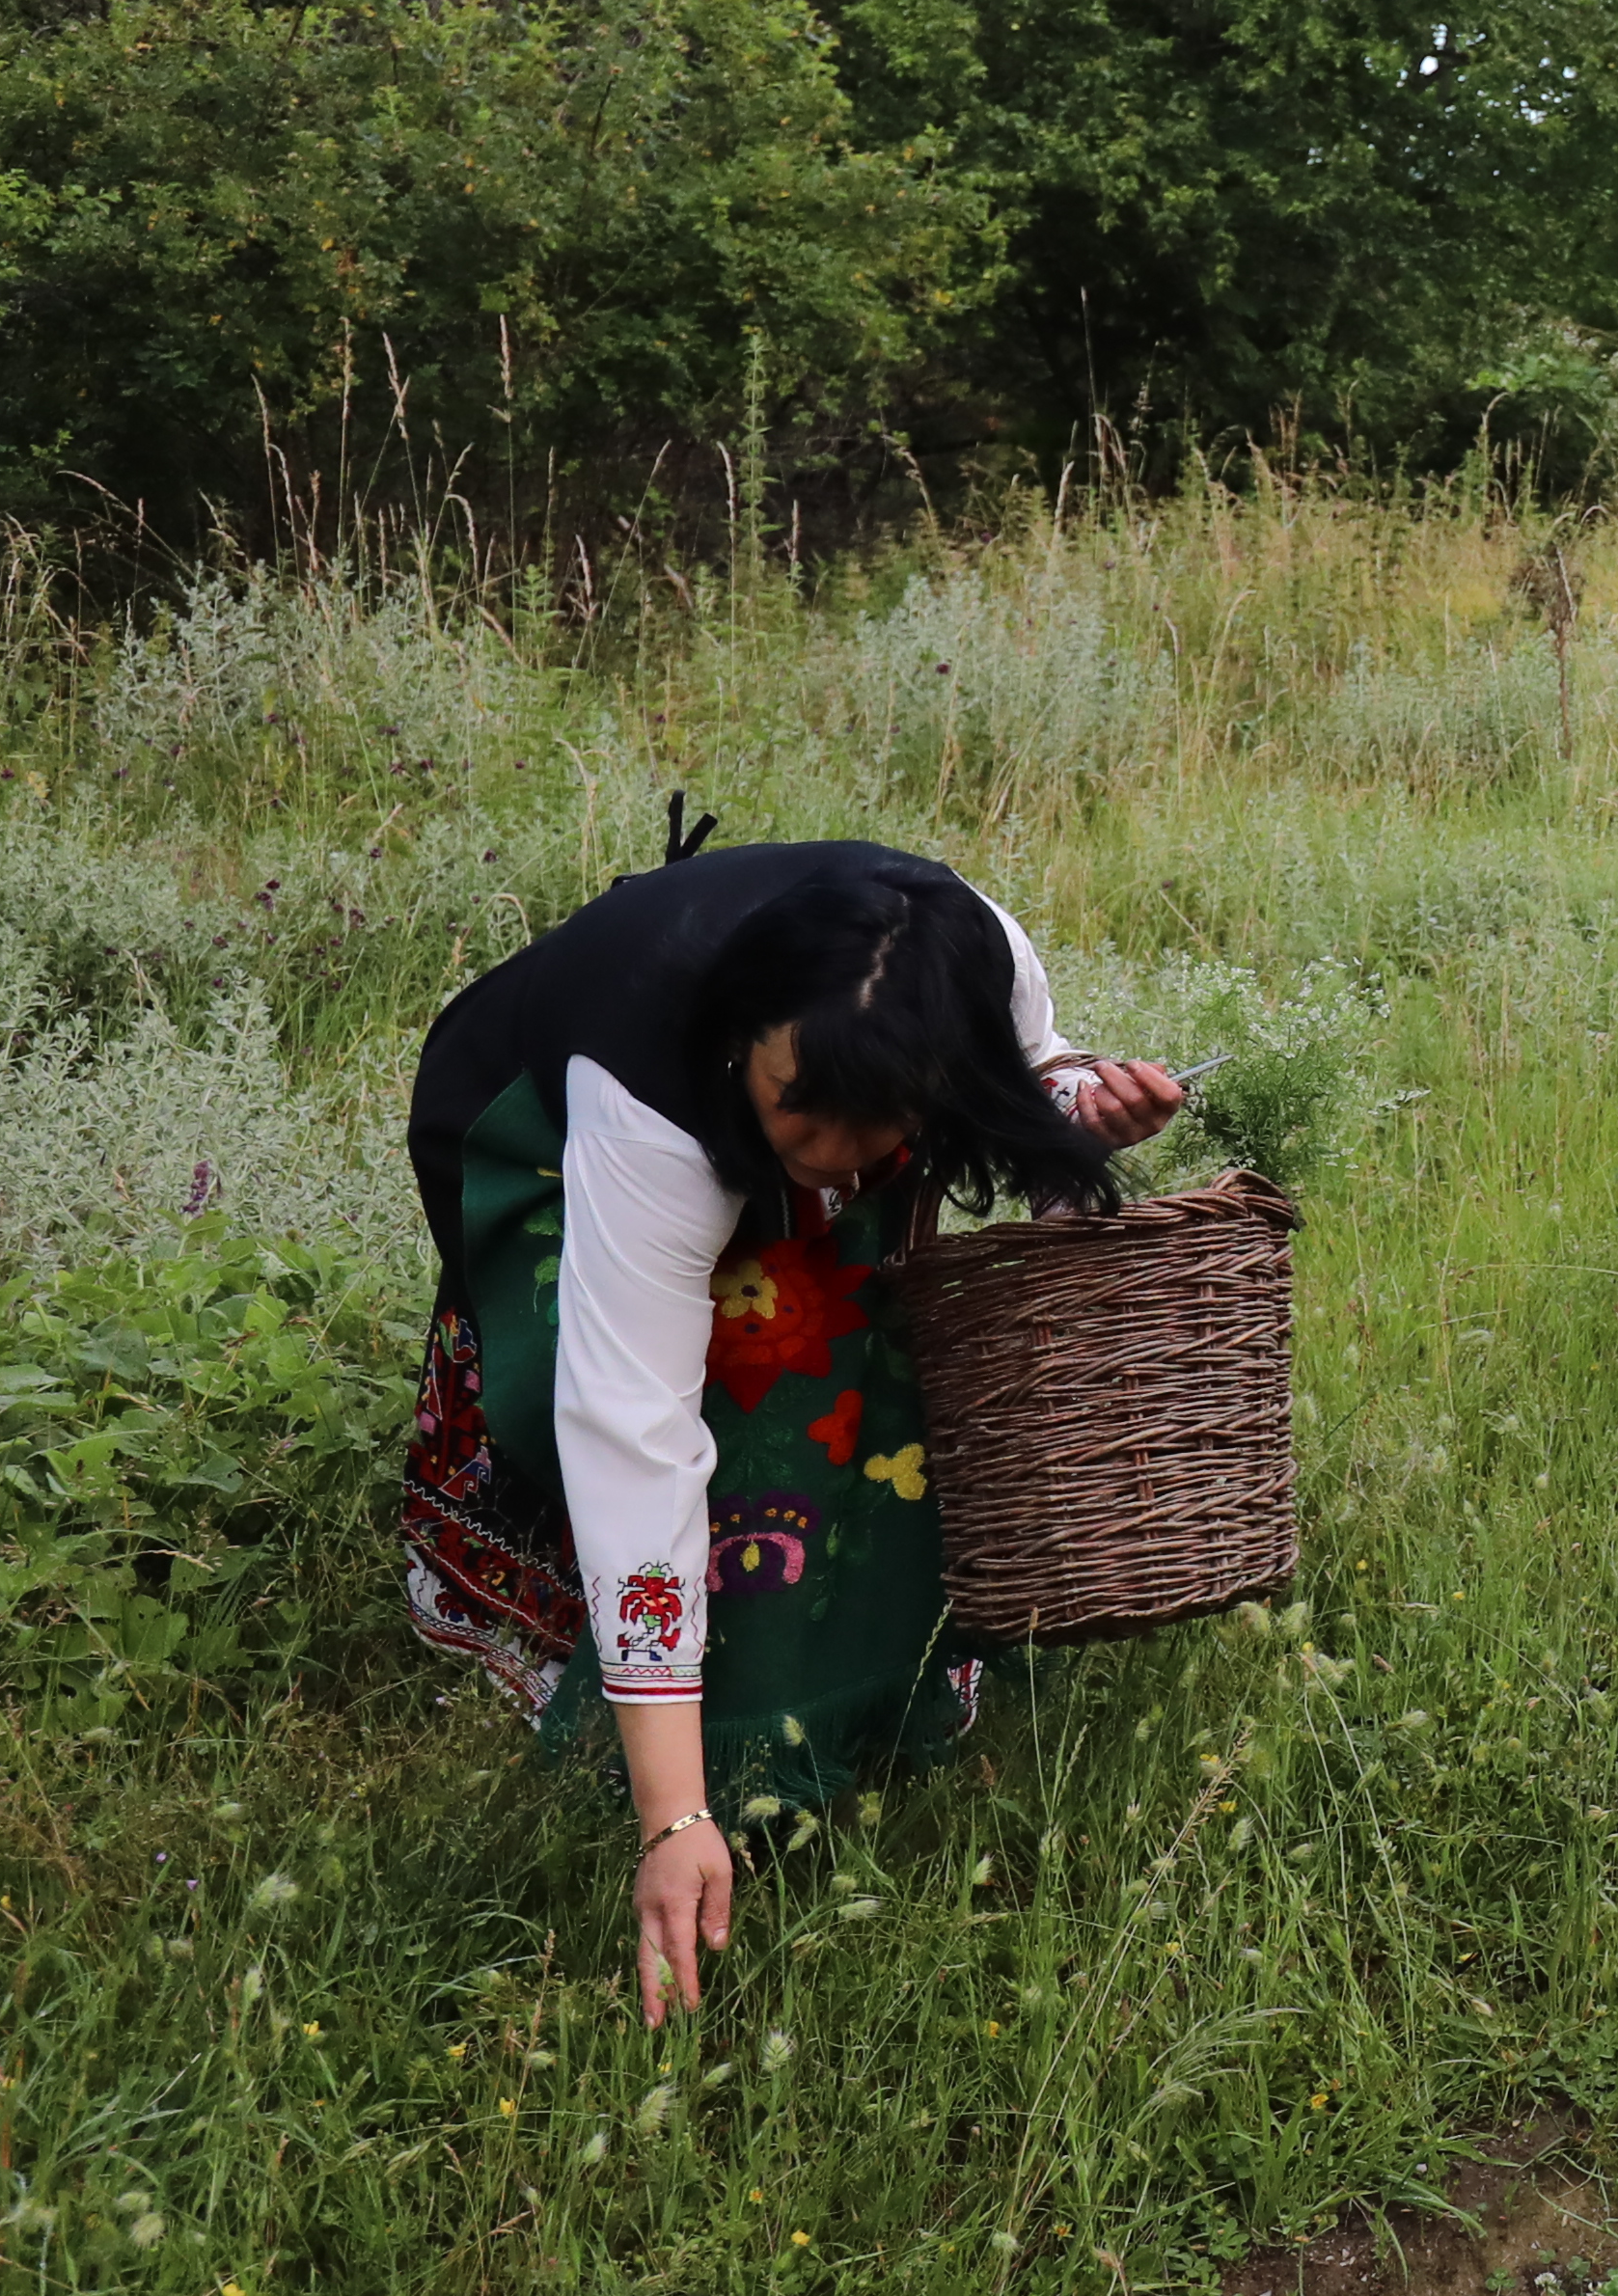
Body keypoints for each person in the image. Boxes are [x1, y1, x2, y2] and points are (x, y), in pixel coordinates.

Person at [398, 836, 1191, 2027]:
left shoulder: (972, 962)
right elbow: (635, 1429)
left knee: (824, 1340)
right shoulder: (648, 1101)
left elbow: (1030, 1067)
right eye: (794, 1112)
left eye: (868, 1131)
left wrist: (1085, 1104)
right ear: (744, 1039)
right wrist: (673, 1817)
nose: (819, 1162)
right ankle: (668, 1696)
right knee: (709, 1370)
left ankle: (859, 1654)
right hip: (527, 1107)